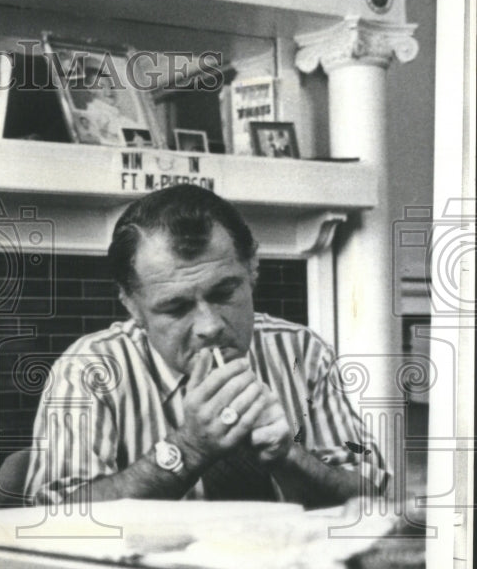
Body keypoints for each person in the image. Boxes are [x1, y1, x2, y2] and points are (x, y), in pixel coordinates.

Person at [24, 184, 388, 508]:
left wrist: (287, 455)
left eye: (224, 292)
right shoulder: (90, 370)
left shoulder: (302, 352)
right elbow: (54, 516)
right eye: (176, 307)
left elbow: (372, 497)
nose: (210, 326)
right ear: (132, 305)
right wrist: (190, 447)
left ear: (253, 269)